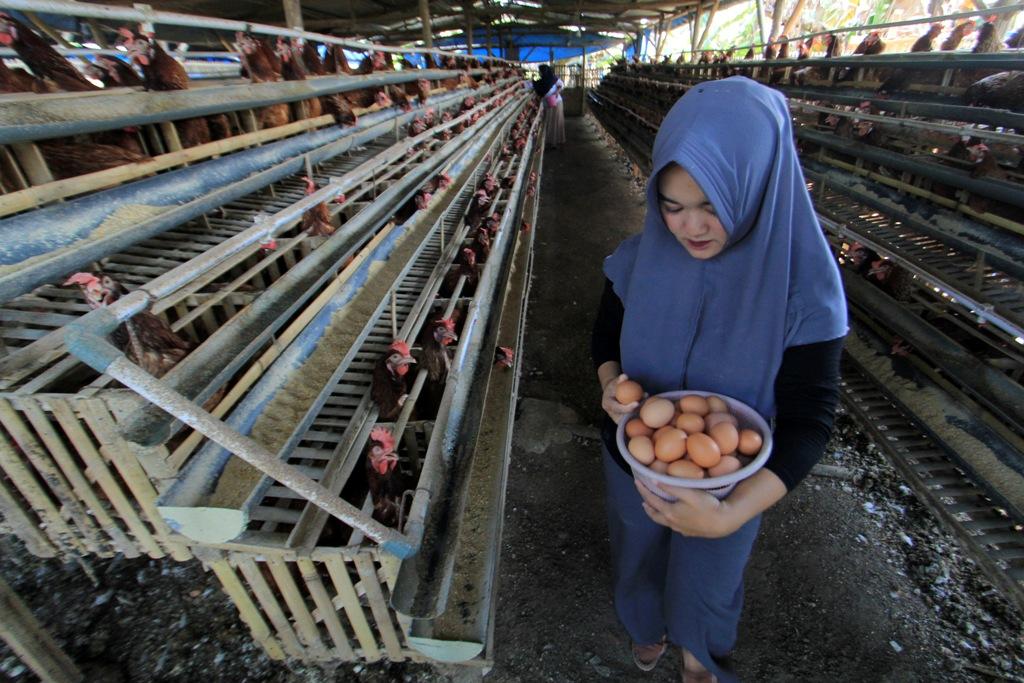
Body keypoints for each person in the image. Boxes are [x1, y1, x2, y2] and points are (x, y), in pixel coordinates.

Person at [590, 77, 847, 682]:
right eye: (672, 206)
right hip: (632, 453)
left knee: (713, 564)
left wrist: (732, 514)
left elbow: (811, 421)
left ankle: (698, 651)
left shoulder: (804, 292)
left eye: (714, 204)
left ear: (760, 186)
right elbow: (605, 338)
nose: (690, 228)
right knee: (636, 546)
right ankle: (644, 624)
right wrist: (609, 382)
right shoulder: (638, 256)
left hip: (732, 481)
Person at [531, 64, 566, 150]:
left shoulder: (553, 78)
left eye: (540, 71)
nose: (539, 73)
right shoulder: (541, 81)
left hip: (557, 102)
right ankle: (550, 141)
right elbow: (534, 86)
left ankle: (556, 142)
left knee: (556, 121)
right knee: (549, 122)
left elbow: (561, 84)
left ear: (544, 71)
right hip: (548, 103)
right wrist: (531, 81)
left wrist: (557, 91)